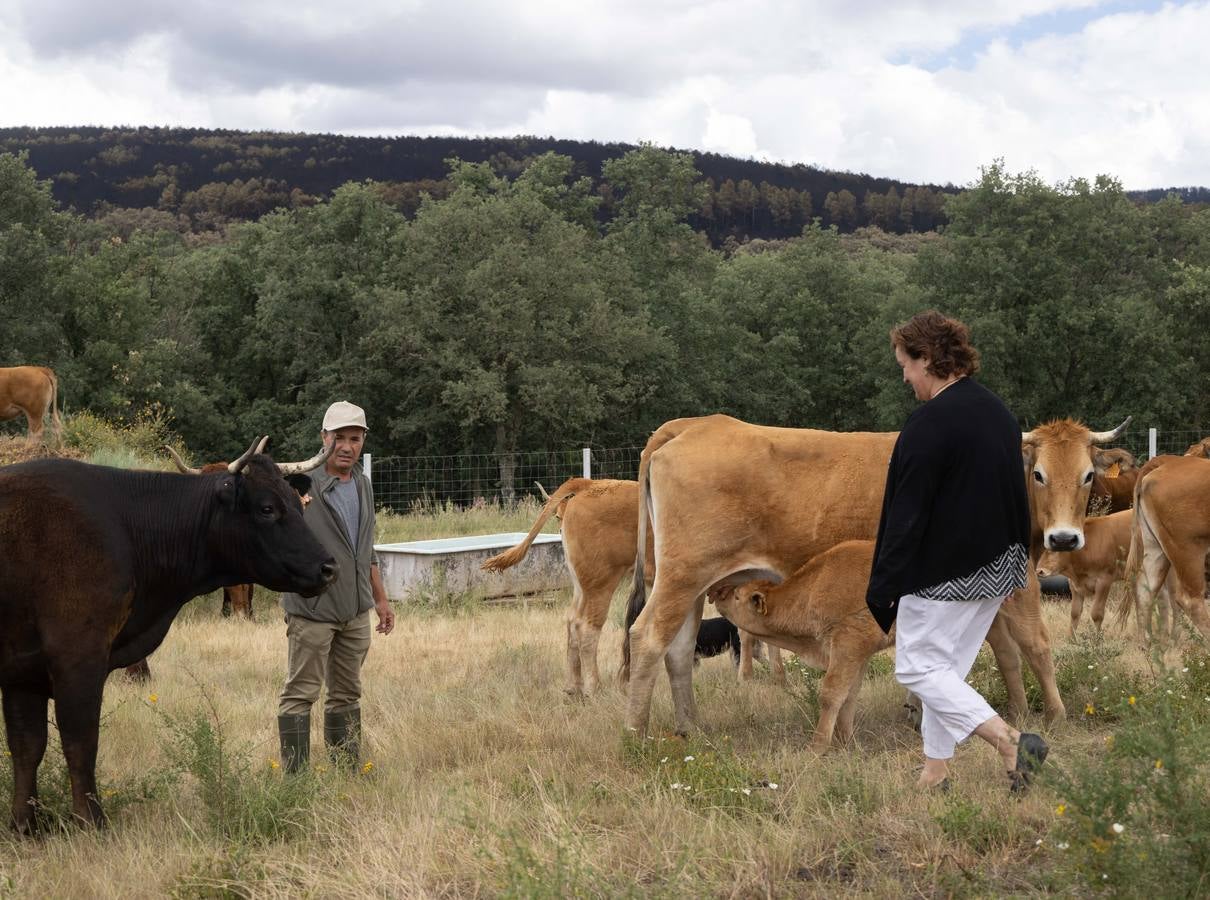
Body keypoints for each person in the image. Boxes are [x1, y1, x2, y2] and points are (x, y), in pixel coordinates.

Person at [865, 311, 1048, 794]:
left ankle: (1010, 743)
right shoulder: (998, 412)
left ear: (927, 359)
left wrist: (885, 584)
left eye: (905, 364)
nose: (904, 376)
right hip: (995, 567)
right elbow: (1016, 494)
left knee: (917, 667)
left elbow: (907, 513)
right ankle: (935, 771)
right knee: (944, 672)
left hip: (943, 572)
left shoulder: (930, 423)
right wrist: (1013, 568)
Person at [278, 400, 395, 772]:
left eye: (355, 438)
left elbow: (367, 548)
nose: (347, 446)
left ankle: (347, 771)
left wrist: (380, 599)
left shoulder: (362, 484)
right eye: (339, 437)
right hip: (313, 611)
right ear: (323, 438)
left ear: (362, 441)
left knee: (346, 694)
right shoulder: (298, 486)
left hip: (355, 612)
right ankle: (296, 781)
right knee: (301, 695)